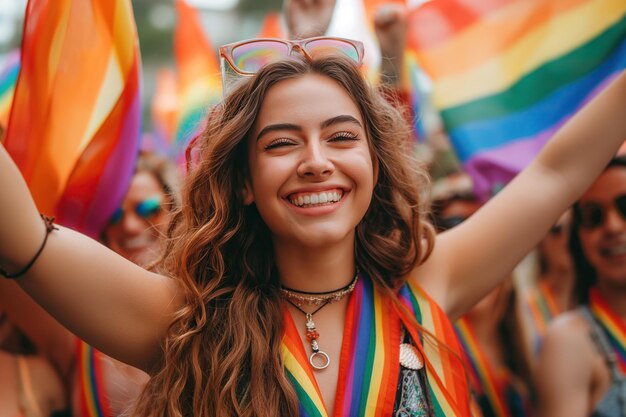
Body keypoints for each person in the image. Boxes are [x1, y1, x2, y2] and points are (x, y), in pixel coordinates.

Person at [1, 39, 626, 416]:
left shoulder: (429, 285)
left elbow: (555, 173)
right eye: (281, 143)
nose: (316, 160)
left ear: (375, 166)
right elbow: (25, 240)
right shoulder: (186, 319)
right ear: (243, 182)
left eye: (341, 136)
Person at [0, 151, 180, 417]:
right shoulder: (75, 329)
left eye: (149, 209)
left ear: (177, 212)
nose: (130, 226)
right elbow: (18, 245)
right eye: (115, 216)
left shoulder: (216, 309)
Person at [433, 178, 535, 417]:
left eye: (488, 232)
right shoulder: (428, 344)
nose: (474, 247)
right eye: (453, 225)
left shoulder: (527, 340)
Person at [535, 155, 626, 417]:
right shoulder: (569, 340)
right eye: (593, 216)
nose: (613, 226)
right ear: (579, 239)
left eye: (625, 207)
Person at [522, 210, 574, 353]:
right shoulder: (525, 306)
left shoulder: (603, 296)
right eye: (556, 230)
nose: (567, 238)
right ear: (541, 241)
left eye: (573, 228)